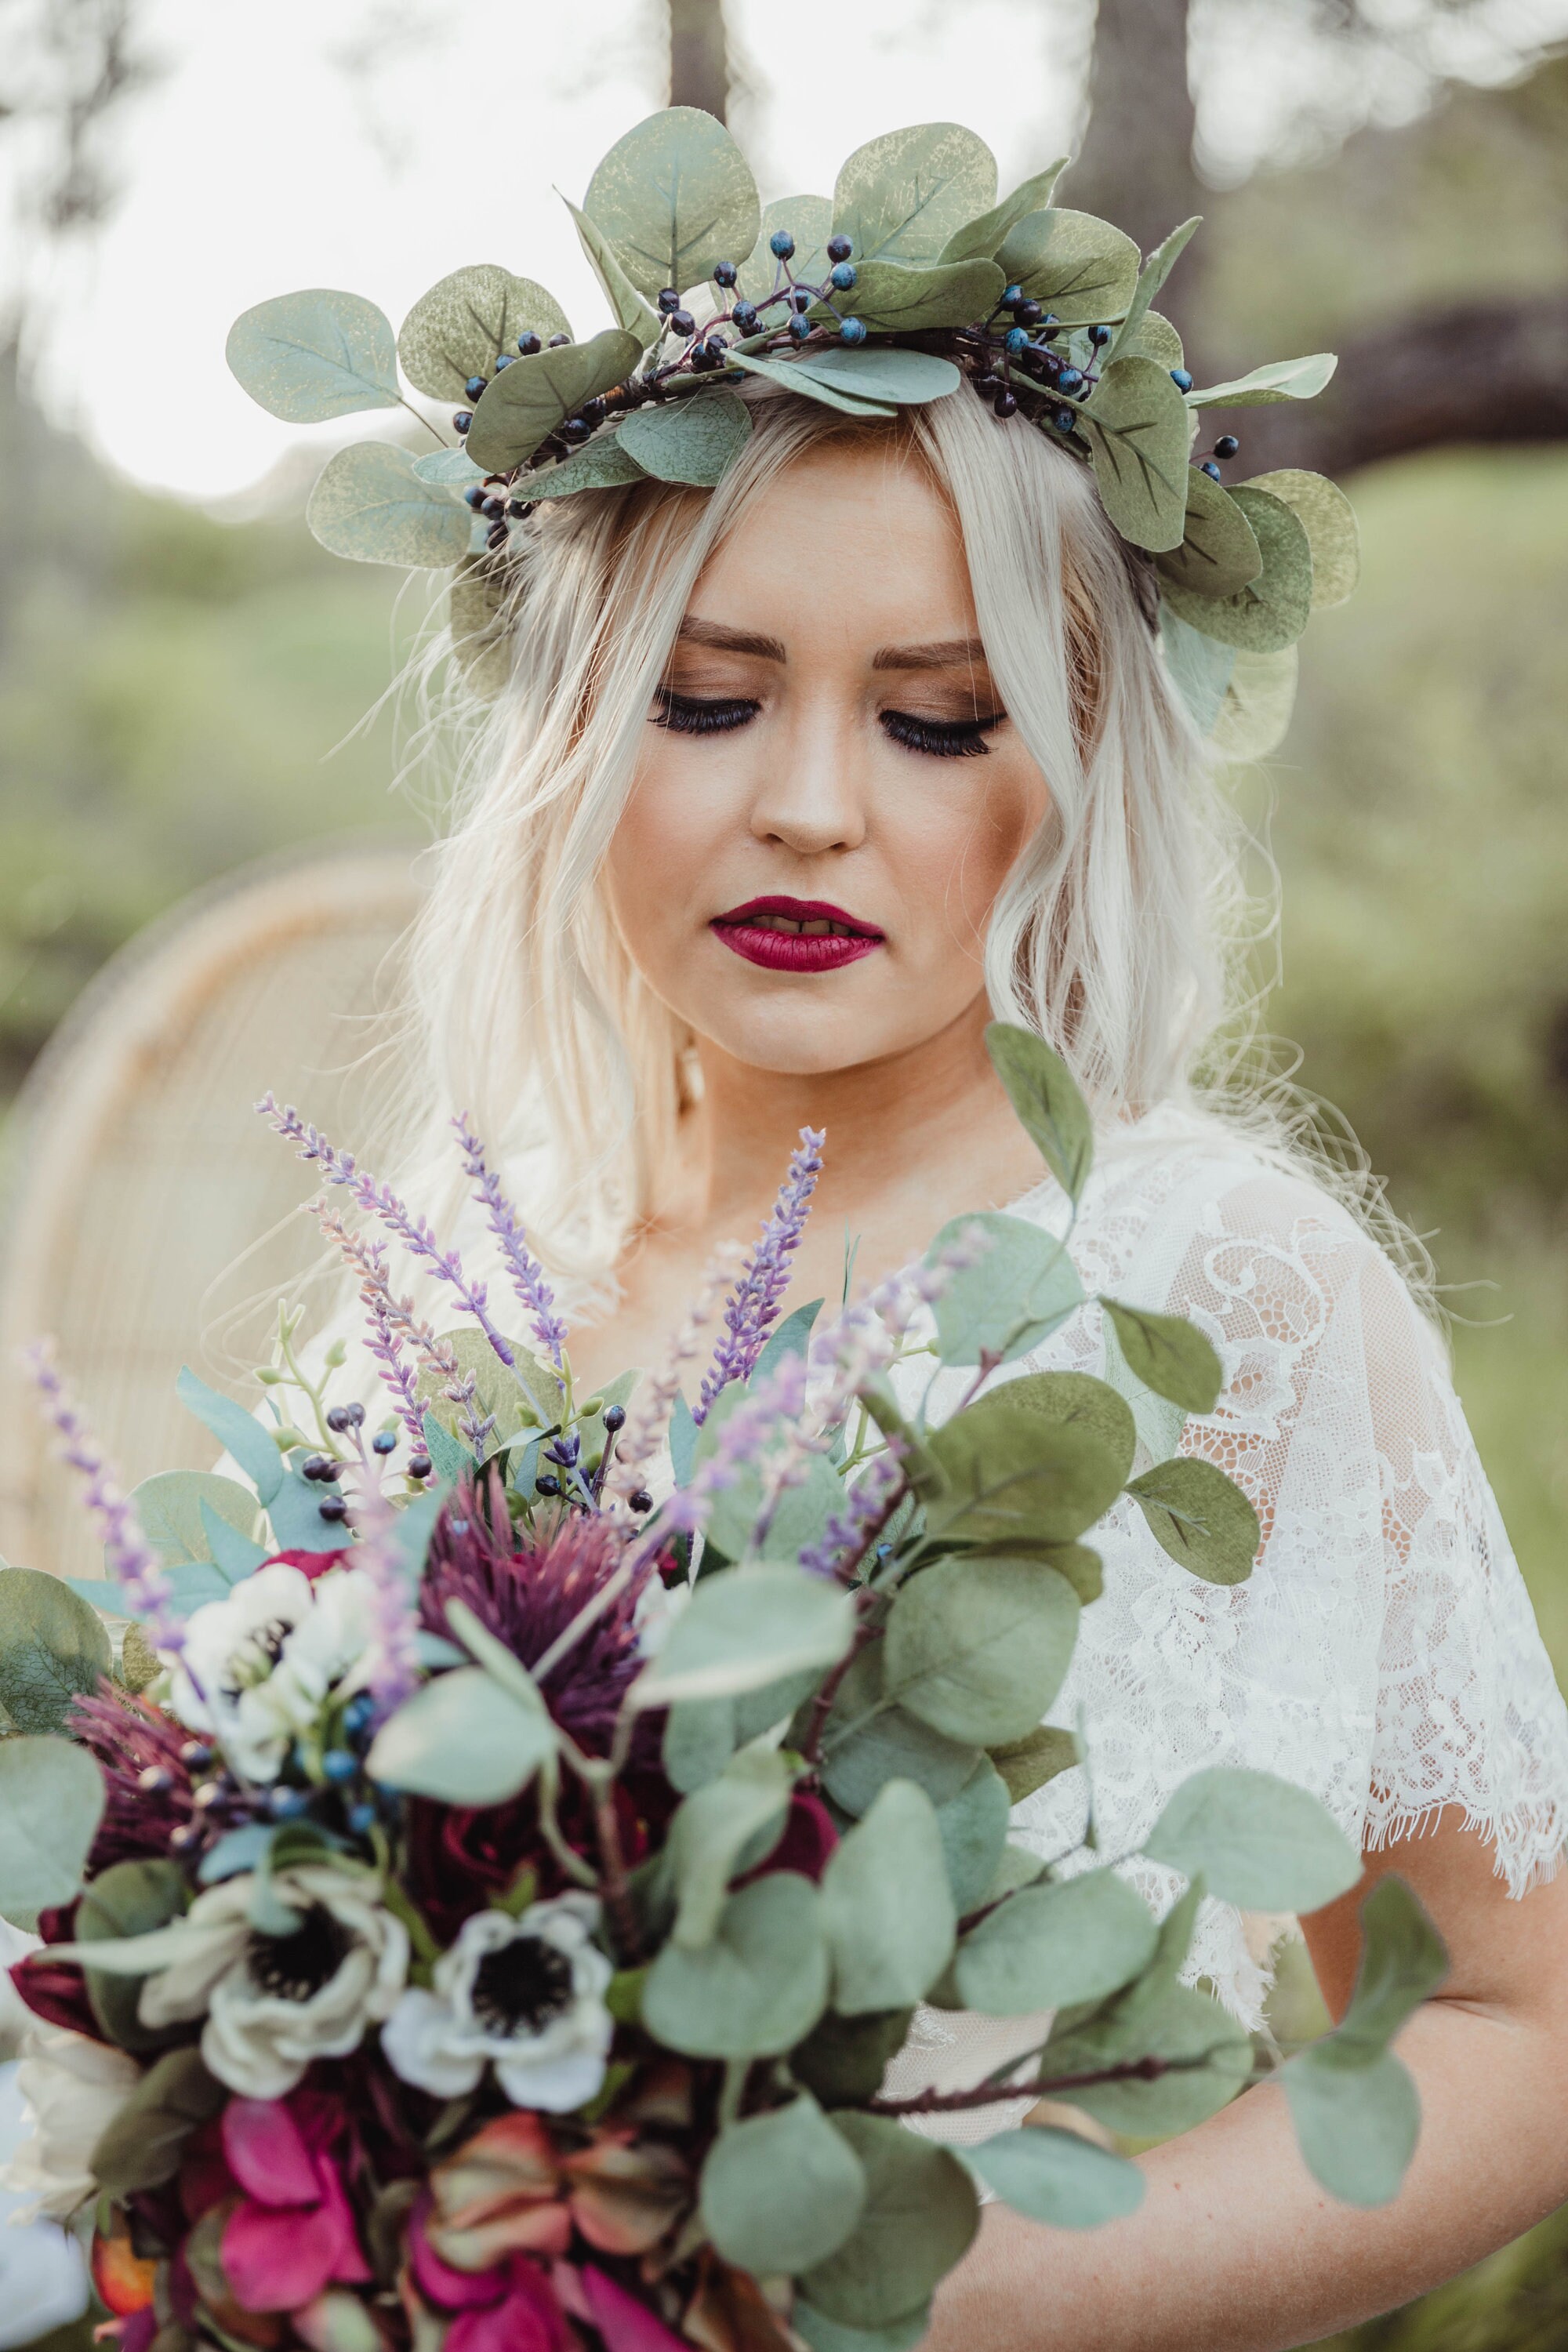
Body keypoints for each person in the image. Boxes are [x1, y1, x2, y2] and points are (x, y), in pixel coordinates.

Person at [384, 384, 1568, 2347]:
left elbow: (1513, 2026)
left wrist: (959, 2295)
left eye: (936, 719)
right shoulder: (451, 1278)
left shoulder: (1226, 1291)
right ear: (570, 726)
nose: (813, 804)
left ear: (1087, 757)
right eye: (704, 699)